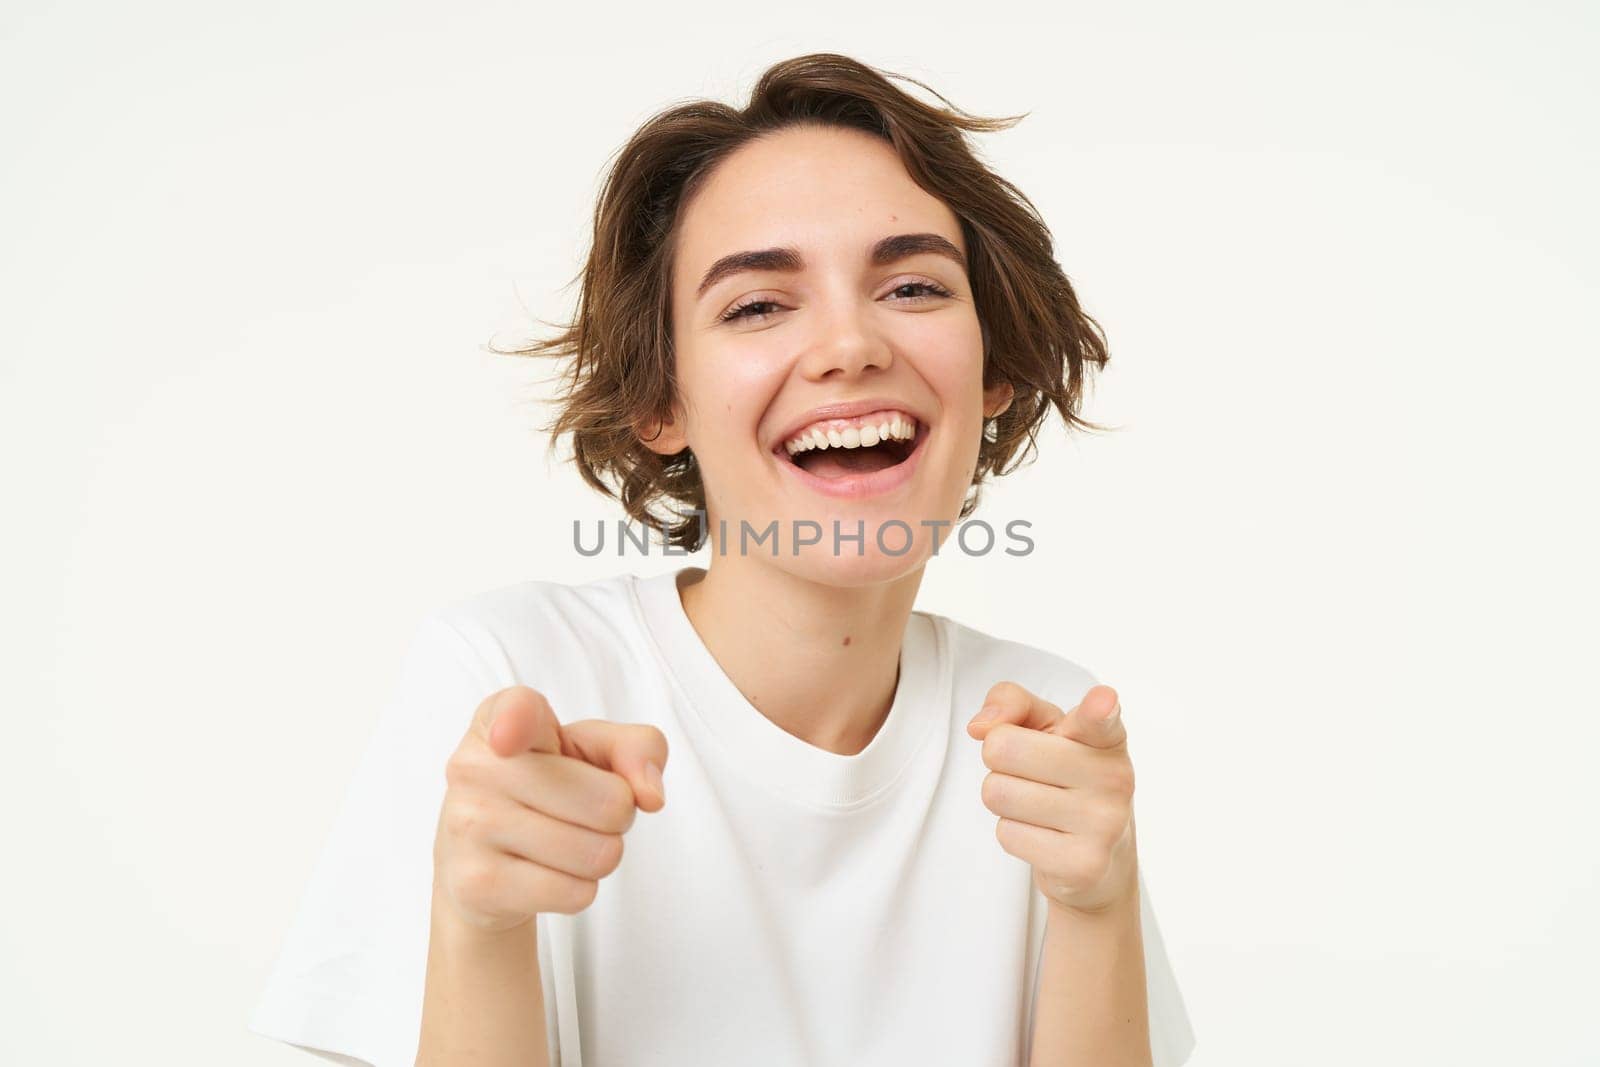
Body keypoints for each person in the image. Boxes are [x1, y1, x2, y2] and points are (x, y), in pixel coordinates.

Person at [248, 52, 1197, 1067]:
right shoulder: (508, 680)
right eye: (756, 305)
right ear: (660, 400)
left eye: (912, 285)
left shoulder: (1041, 731)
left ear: (995, 365)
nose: (848, 344)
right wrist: (481, 927)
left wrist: (1096, 905)